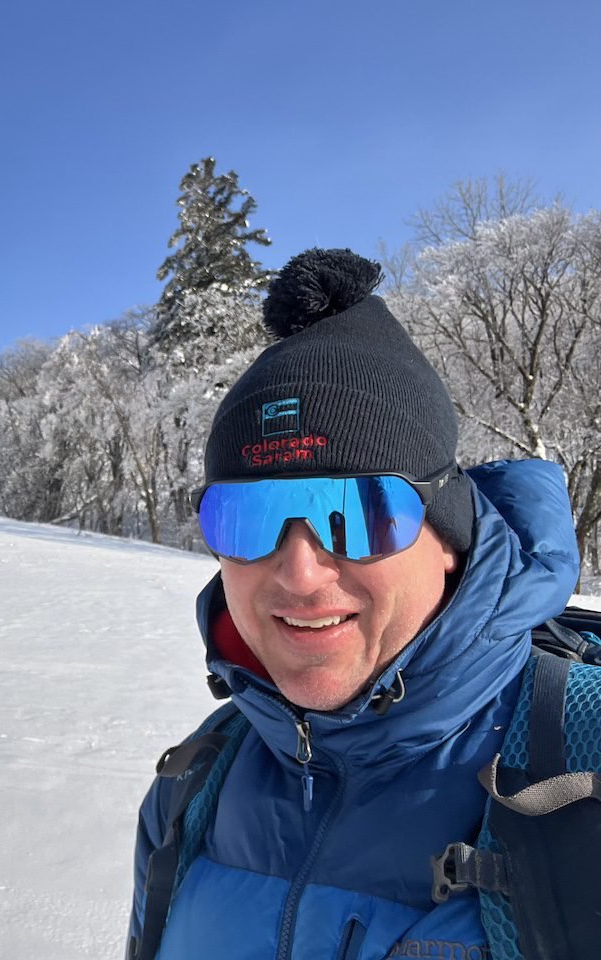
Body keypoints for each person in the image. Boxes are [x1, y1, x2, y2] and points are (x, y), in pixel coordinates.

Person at [128, 249, 583, 959]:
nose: (300, 574)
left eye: (359, 513)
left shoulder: (580, 770)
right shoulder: (194, 788)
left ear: (450, 536)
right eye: (247, 520)